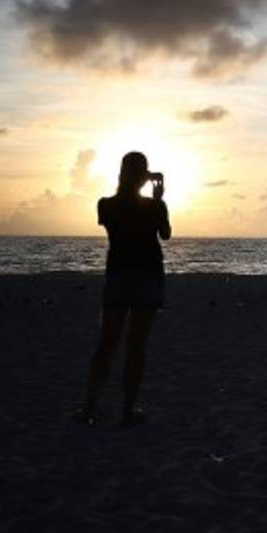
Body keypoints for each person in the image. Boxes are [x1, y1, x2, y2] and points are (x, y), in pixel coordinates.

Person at [75, 151, 171, 428]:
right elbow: (165, 234)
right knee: (135, 346)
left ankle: (89, 409)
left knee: (107, 343)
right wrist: (158, 199)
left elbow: (116, 227)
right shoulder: (155, 207)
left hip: (118, 276)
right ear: (144, 176)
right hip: (148, 276)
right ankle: (127, 410)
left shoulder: (106, 205)